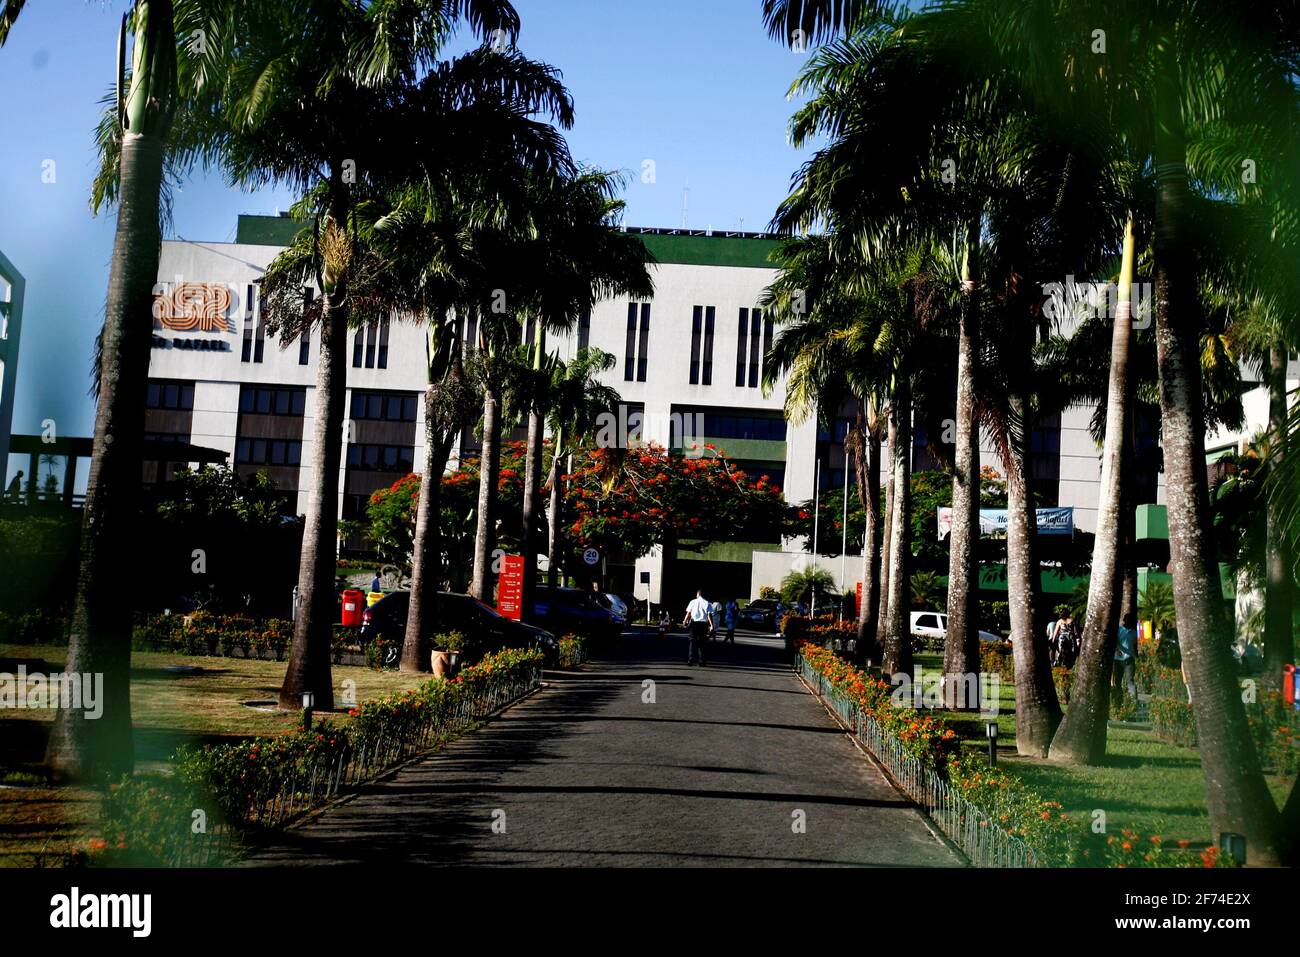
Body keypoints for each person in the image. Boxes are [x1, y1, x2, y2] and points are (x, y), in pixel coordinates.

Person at [682, 589, 714, 666]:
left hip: (694, 623)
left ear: (698, 594)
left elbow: (688, 613)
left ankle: (690, 660)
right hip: (703, 624)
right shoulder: (708, 603)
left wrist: (685, 621)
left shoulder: (693, 601)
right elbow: (709, 615)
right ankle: (701, 661)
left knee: (692, 642)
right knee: (702, 643)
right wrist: (711, 625)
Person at [1113, 612, 1138, 698]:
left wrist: (1136, 656)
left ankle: (1133, 701)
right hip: (1118, 660)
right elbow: (1114, 641)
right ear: (1124, 621)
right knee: (1118, 681)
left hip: (1129, 660)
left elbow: (1134, 645)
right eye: (1127, 620)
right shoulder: (1119, 630)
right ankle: (1118, 700)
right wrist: (1117, 650)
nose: (1129, 622)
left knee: (1130, 681)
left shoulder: (1133, 632)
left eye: (1130, 621)